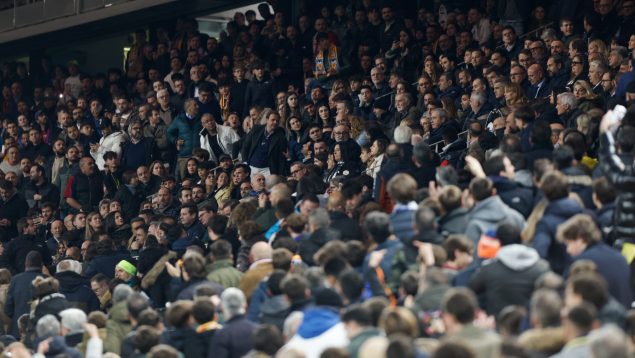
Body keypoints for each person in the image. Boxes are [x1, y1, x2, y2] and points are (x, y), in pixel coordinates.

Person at [241, 111, 288, 176]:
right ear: (267, 120)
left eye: (277, 121)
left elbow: (281, 158)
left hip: (267, 170)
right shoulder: (256, 129)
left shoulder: (281, 137)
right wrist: (245, 163)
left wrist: (280, 174)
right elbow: (245, 146)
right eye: (273, 120)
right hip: (251, 167)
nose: (275, 122)